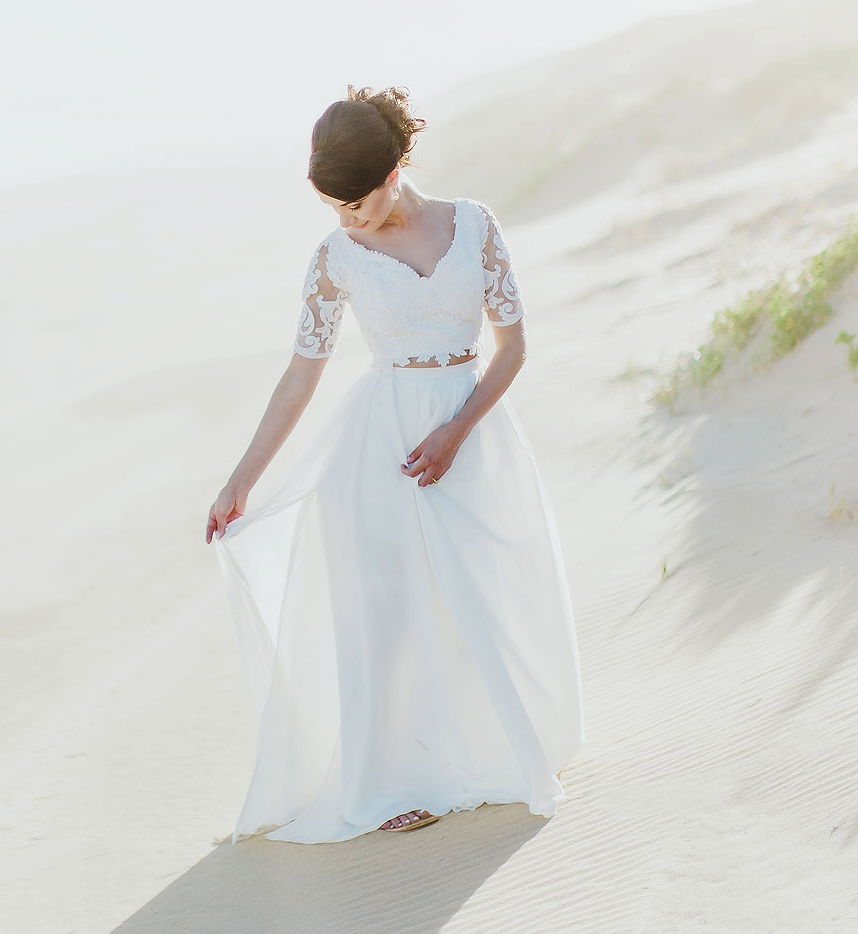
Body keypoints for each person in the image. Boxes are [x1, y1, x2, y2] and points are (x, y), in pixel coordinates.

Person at [206, 85, 586, 845]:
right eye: (334, 208)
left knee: (483, 596)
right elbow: (300, 375)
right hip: (378, 448)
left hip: (469, 438)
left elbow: (512, 349)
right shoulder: (333, 259)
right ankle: (393, 784)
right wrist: (240, 478)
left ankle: (489, 751)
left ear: (399, 166)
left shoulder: (473, 226)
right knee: (387, 615)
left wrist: (457, 429)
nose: (349, 220)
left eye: (359, 204)